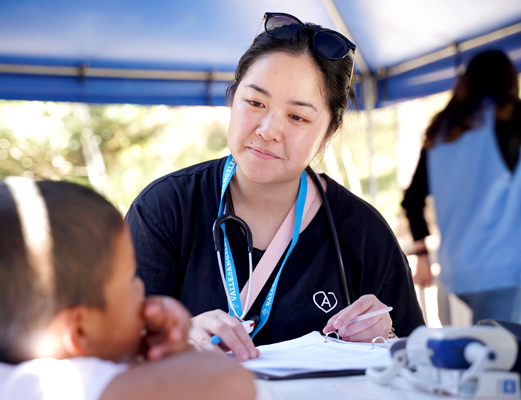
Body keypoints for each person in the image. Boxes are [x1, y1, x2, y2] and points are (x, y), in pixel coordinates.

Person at [127, 12, 424, 362]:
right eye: (255, 103)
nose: (268, 129)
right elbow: (112, 349)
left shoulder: (362, 231)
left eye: (297, 117)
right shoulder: (166, 208)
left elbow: (419, 362)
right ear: (233, 100)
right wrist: (174, 336)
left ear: (329, 132)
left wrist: (385, 338)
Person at [0, 178, 256, 400]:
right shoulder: (73, 385)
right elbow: (232, 384)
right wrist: (178, 345)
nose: (142, 288)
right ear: (80, 330)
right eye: (130, 279)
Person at [402, 49, 521, 324]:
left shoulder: (442, 129)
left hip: (453, 273)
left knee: (465, 360)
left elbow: (412, 200)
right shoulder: (514, 118)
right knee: (503, 361)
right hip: (500, 270)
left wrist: (422, 254)